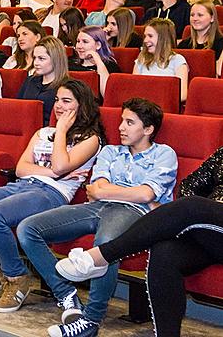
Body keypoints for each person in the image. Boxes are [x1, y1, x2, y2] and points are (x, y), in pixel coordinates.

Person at [16, 98, 178, 337]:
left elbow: (146, 193)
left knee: (106, 246)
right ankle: (66, 294)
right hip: (99, 207)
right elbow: (96, 190)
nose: (121, 127)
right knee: (28, 228)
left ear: (148, 129)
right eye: (122, 121)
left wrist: (112, 191)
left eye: (129, 122)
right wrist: (127, 193)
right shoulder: (111, 151)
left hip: (134, 213)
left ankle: (90, 321)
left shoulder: (164, 154)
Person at [0, 78, 103, 313]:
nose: (59, 105)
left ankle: (17, 277)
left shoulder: (90, 139)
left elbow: (60, 167)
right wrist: (52, 170)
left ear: (82, 106)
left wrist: (61, 132)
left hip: (51, 193)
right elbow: (22, 168)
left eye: (66, 101)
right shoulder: (43, 133)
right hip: (21, 186)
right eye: (57, 100)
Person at [54, 148, 223, 337]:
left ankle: (102, 256)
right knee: (164, 252)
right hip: (213, 233)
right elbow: (189, 186)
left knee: (193, 207)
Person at [134, 18, 189, 102]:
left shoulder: (177, 60)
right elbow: (133, 89)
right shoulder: (141, 60)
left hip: (164, 106)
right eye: (145, 36)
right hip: (142, 106)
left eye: (150, 36)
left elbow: (182, 95)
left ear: (162, 38)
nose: (145, 40)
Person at [18, 36, 69, 125]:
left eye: (41, 59)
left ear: (55, 59)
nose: (36, 63)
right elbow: (18, 107)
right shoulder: (30, 81)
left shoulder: (67, 86)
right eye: (35, 58)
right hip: (25, 128)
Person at [68, 26, 120, 98]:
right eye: (78, 41)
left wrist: (98, 60)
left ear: (98, 45)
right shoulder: (70, 62)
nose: (79, 46)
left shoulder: (110, 66)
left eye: (85, 42)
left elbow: (107, 95)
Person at [178, 1, 223, 77]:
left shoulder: (220, 43)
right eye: (192, 15)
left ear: (212, 18)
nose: (195, 19)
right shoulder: (184, 44)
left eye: (200, 15)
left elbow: (218, 72)